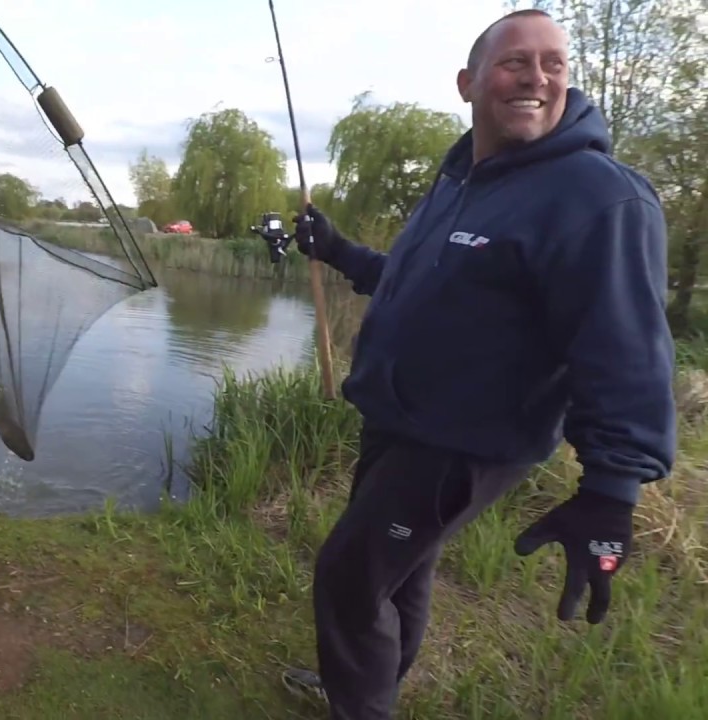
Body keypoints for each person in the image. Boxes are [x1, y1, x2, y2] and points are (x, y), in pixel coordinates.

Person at [282, 9, 676, 718]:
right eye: (514, 62)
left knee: (349, 577)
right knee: (399, 573)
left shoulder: (599, 197)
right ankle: (370, 683)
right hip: (399, 419)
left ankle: (359, 702)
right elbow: (415, 281)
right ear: (468, 82)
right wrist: (338, 251)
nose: (536, 77)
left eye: (554, 63)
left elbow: (625, 351)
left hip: (460, 441)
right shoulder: (465, 178)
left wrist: (613, 490)